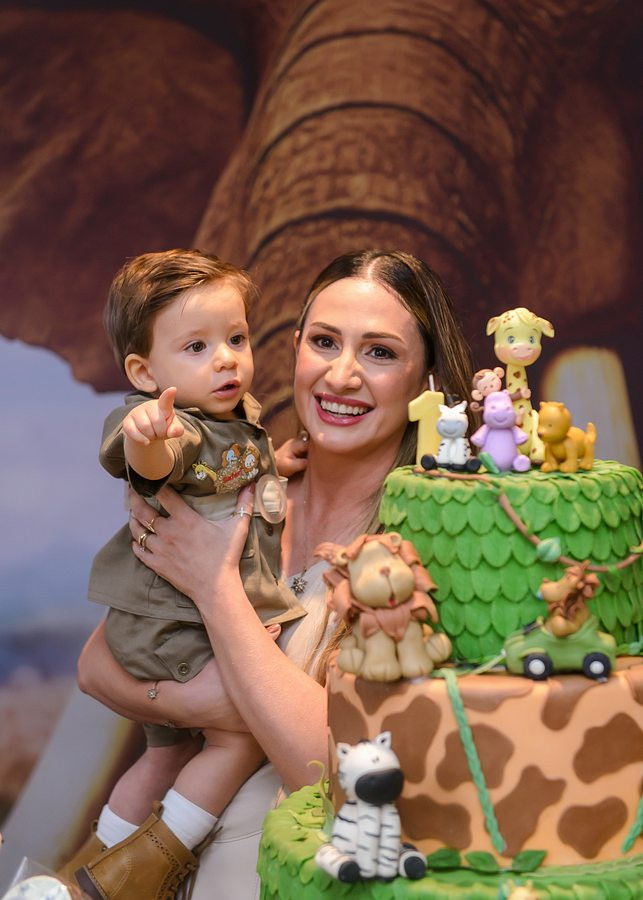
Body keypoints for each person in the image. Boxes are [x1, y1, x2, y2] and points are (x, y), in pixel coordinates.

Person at [71, 249, 474, 899]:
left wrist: (215, 588)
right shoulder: (241, 491)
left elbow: (338, 771)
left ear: (424, 382)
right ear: (295, 347)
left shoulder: (422, 550)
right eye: (324, 342)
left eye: (379, 352)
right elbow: (97, 665)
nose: (341, 375)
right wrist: (245, 711)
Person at [67, 250, 306, 899]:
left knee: (166, 753)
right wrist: (148, 435)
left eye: (236, 339)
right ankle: (150, 864)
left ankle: (97, 866)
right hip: (172, 628)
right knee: (236, 739)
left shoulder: (236, 418)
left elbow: (236, 472)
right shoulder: (175, 426)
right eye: (197, 346)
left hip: (165, 623)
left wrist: (276, 463)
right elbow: (157, 461)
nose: (225, 359)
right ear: (145, 373)